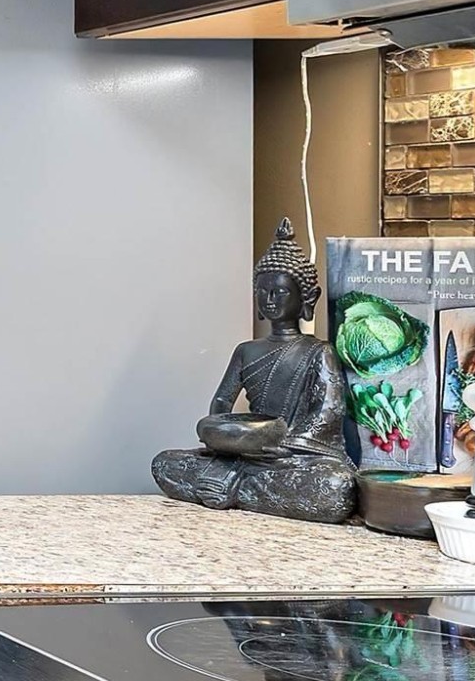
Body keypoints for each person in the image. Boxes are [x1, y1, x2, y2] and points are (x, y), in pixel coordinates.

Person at [151, 218, 359, 525]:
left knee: (335, 486)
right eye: (262, 292)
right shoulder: (246, 350)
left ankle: (233, 487)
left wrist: (279, 444)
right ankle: (244, 486)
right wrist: (222, 435)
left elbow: (327, 412)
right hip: (247, 453)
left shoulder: (319, 351)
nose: (270, 299)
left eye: (280, 292)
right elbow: (221, 405)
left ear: (306, 298)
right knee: (165, 463)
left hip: (294, 455)